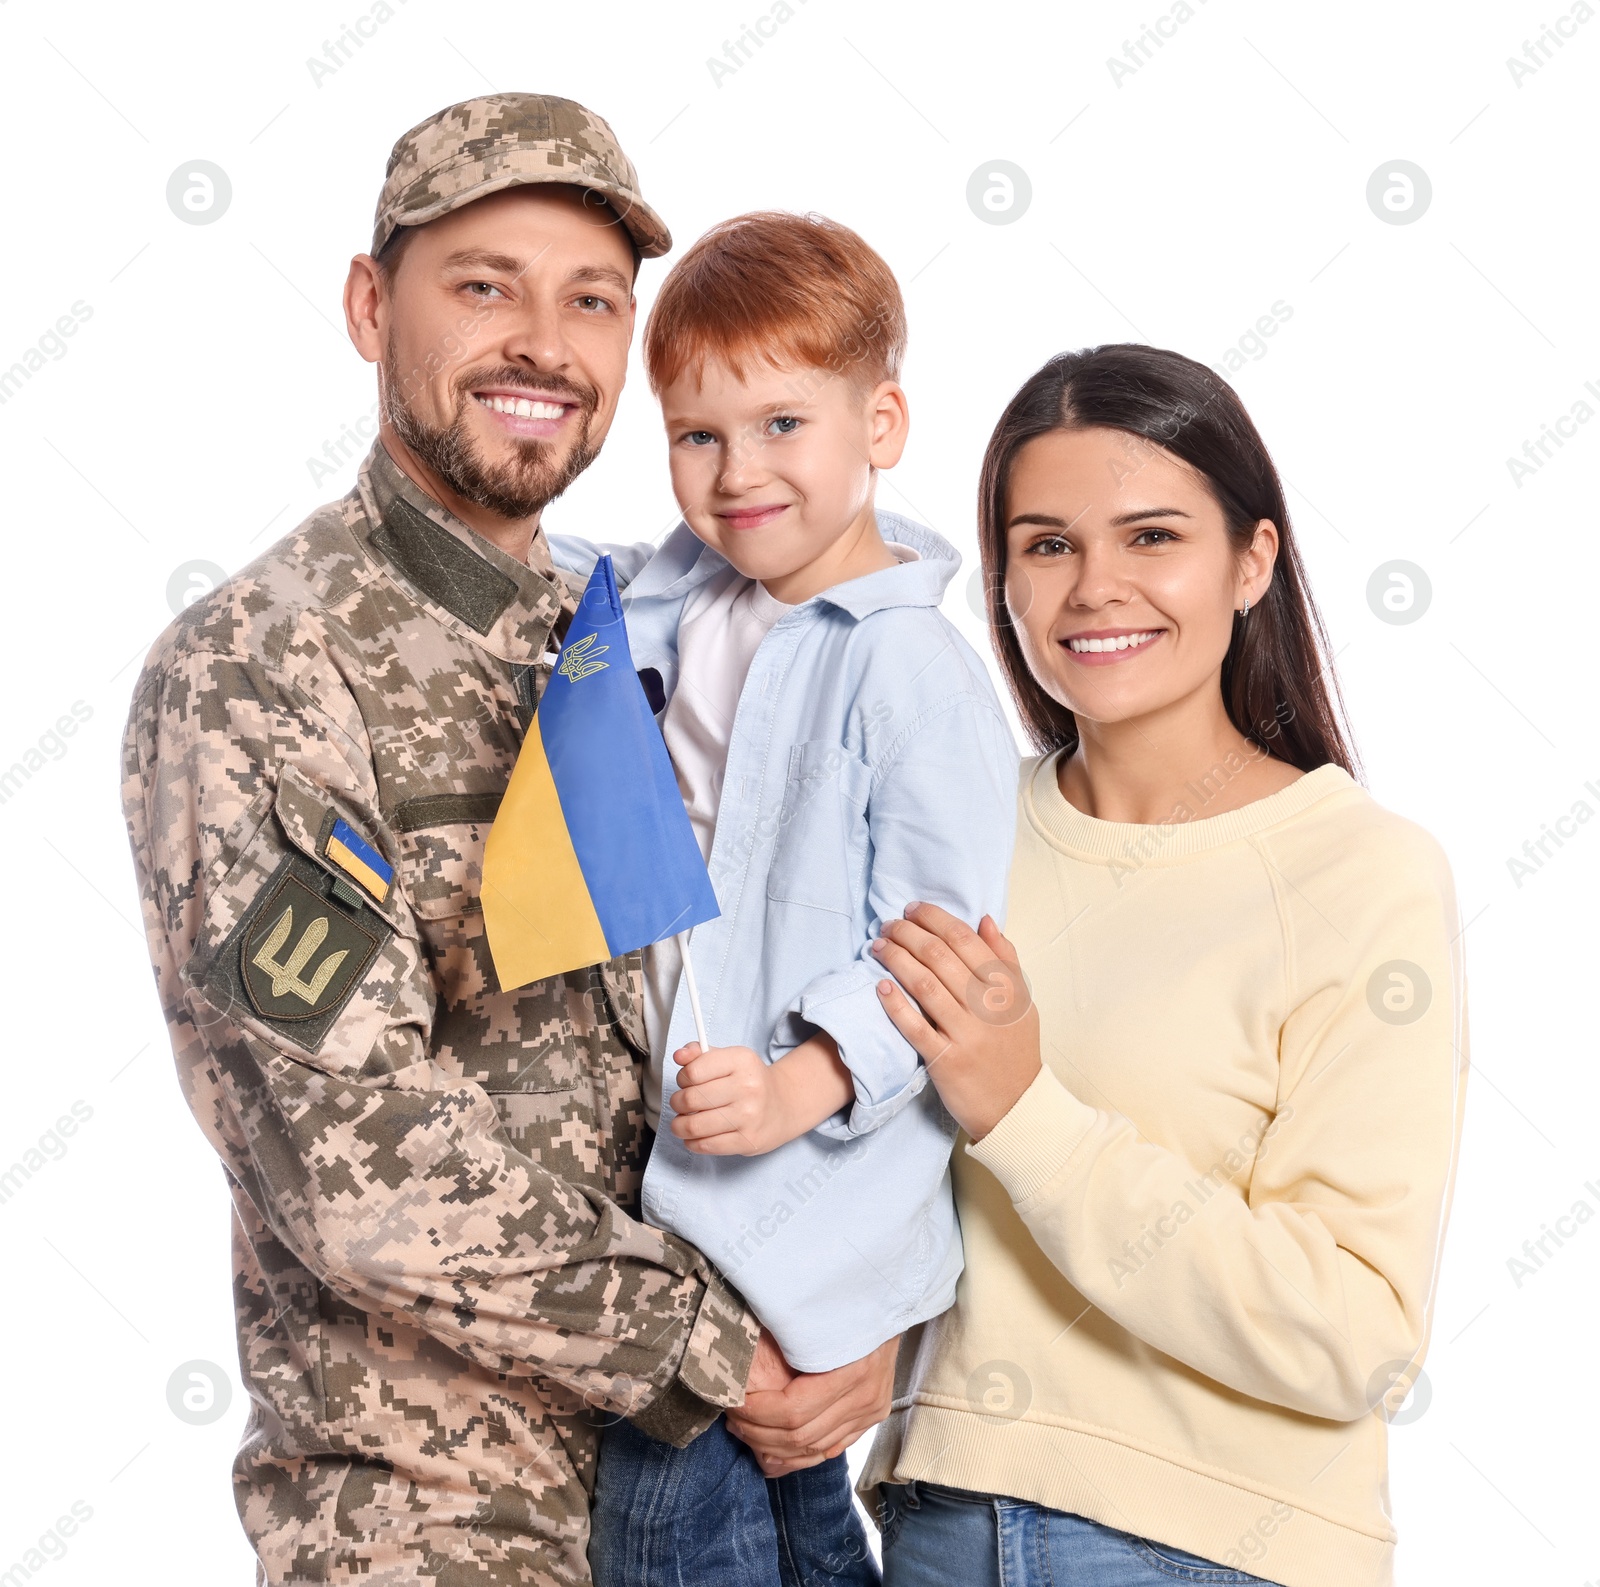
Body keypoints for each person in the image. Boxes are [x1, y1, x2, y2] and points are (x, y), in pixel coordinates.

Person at [121, 95, 894, 1586]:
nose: (545, 341)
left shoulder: (652, 630)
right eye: (485, 285)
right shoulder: (260, 669)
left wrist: (866, 1305)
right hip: (449, 1522)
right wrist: (731, 1346)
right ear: (368, 304)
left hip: (723, 1503)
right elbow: (356, 1161)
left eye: (592, 300)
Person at [861, 345, 1467, 1587]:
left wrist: (1025, 1115)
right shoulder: (946, 827)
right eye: (1046, 545)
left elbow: (1356, 1335)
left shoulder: (1360, 875)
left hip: (1204, 1549)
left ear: (1252, 562)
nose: (1095, 589)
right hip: (937, 1518)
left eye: (1151, 537)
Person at [548, 212, 1018, 1587]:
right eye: (698, 434)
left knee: (669, 1530)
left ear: (882, 420)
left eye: (782, 425)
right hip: (680, 1174)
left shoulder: (909, 666)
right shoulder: (666, 596)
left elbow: (943, 943)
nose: (738, 472)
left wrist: (805, 1079)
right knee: (791, 1534)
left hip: (794, 1197)